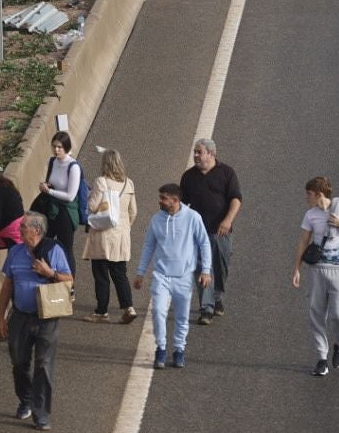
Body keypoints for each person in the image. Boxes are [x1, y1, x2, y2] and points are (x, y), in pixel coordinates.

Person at [0, 211, 73, 430]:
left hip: (47, 318)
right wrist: (0, 317)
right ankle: (26, 399)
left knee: (44, 364)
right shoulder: (16, 253)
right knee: (19, 363)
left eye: (22, 228)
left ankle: (41, 413)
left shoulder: (54, 251)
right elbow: (7, 286)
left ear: (36, 230)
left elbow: (69, 280)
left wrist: (50, 273)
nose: (19, 231)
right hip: (20, 316)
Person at [134, 183, 212, 370]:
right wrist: (140, 272)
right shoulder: (156, 220)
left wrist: (206, 270)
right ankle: (161, 348)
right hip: (161, 276)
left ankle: (179, 350)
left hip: (183, 277)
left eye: (163, 198)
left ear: (175, 200)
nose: (159, 201)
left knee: (181, 317)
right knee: (158, 312)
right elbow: (148, 246)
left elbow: (204, 243)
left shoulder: (193, 218)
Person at [291, 175, 339, 377]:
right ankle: (322, 358)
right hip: (317, 270)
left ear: (319, 194)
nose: (307, 198)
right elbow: (303, 242)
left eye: (309, 194)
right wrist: (296, 268)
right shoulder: (310, 215)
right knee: (316, 314)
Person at [180, 138, 242, 325]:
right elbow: (182, 205)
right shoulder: (188, 177)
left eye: (200, 152)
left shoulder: (227, 173)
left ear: (211, 154)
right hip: (198, 233)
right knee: (201, 268)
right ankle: (206, 308)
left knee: (220, 268)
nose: (196, 156)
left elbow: (236, 199)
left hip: (220, 232)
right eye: (195, 152)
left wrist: (228, 220)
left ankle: (217, 298)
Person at [82, 147, 138, 324]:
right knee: (120, 273)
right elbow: (133, 211)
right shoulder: (128, 183)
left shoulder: (101, 182)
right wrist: (125, 226)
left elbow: (92, 206)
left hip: (102, 235)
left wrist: (88, 196)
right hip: (121, 235)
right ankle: (128, 307)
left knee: (101, 275)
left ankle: (101, 311)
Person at [34, 131, 83, 275]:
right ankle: (45, 275)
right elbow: (52, 182)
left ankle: (69, 283)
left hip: (65, 212)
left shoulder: (73, 167)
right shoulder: (52, 161)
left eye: (60, 147)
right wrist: (46, 186)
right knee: (43, 243)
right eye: (54, 146)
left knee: (66, 248)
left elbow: (70, 196)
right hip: (51, 209)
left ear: (66, 148)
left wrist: (49, 192)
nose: (56, 150)